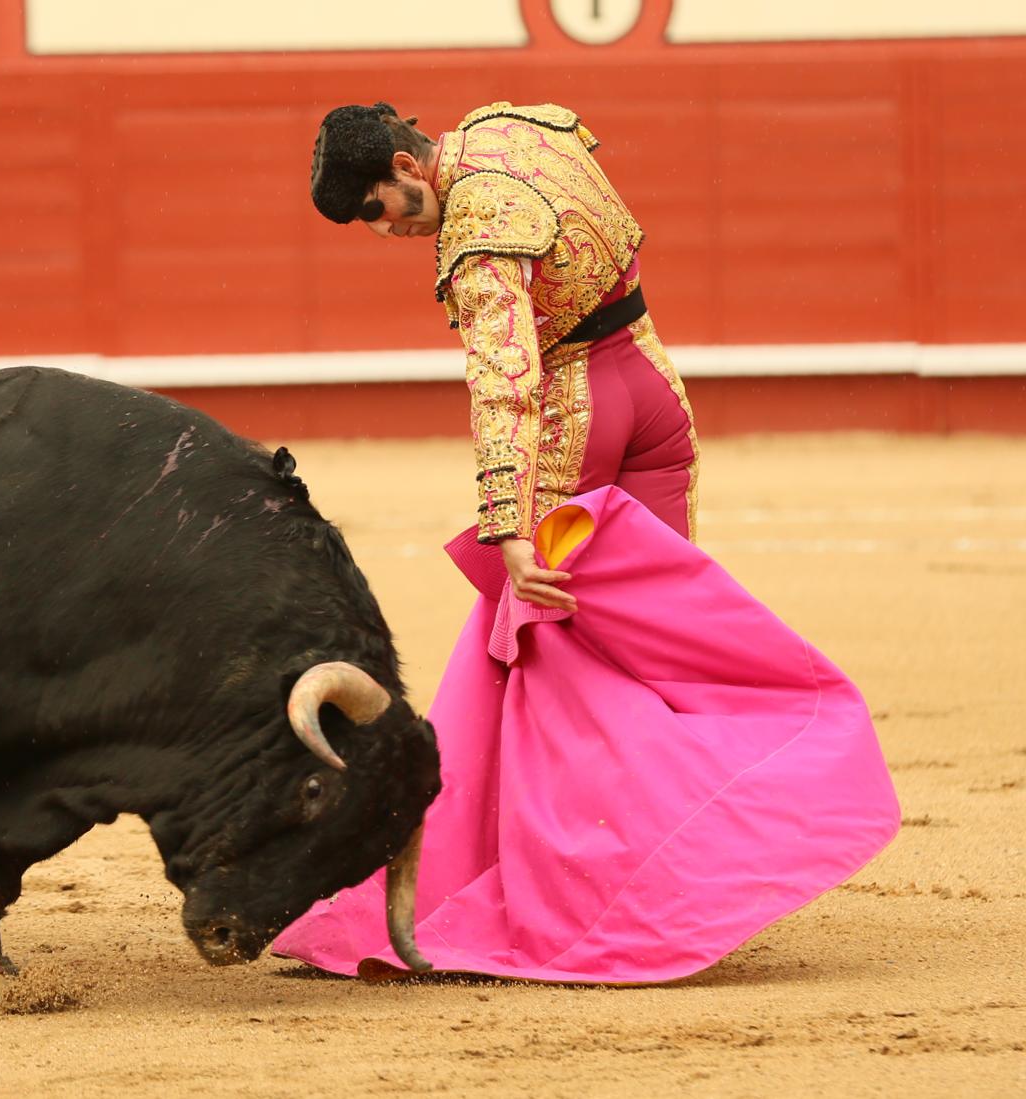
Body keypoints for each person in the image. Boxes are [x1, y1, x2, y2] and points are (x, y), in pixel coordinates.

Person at [273, 101, 900, 983]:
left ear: (411, 171)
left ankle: (560, 892)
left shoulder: (480, 241)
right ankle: (687, 877)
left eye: (380, 210)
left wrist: (509, 530)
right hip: (655, 392)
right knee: (654, 647)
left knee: (547, 662)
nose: (384, 232)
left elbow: (507, 385)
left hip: (580, 417)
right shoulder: (513, 129)